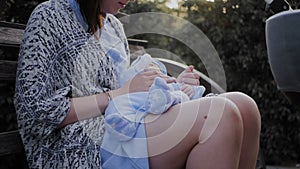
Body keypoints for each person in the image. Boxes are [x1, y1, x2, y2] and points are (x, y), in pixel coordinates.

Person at [14, 0, 261, 169]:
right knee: (221, 115)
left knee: (244, 106)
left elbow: (128, 88)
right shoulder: (51, 16)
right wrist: (119, 94)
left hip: (124, 123)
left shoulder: (113, 25)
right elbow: (35, 112)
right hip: (80, 146)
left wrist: (173, 85)